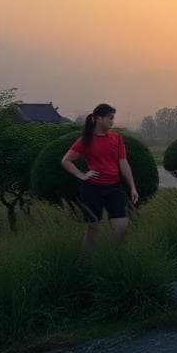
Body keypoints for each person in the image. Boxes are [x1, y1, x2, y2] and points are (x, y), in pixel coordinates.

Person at [60, 103, 139, 247]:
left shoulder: (116, 138)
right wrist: (82, 175)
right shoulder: (86, 140)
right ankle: (87, 262)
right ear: (99, 118)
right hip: (92, 189)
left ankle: (112, 257)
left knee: (121, 226)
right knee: (93, 228)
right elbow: (66, 161)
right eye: (110, 118)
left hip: (115, 188)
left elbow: (123, 163)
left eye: (113, 118)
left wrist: (132, 186)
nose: (112, 121)